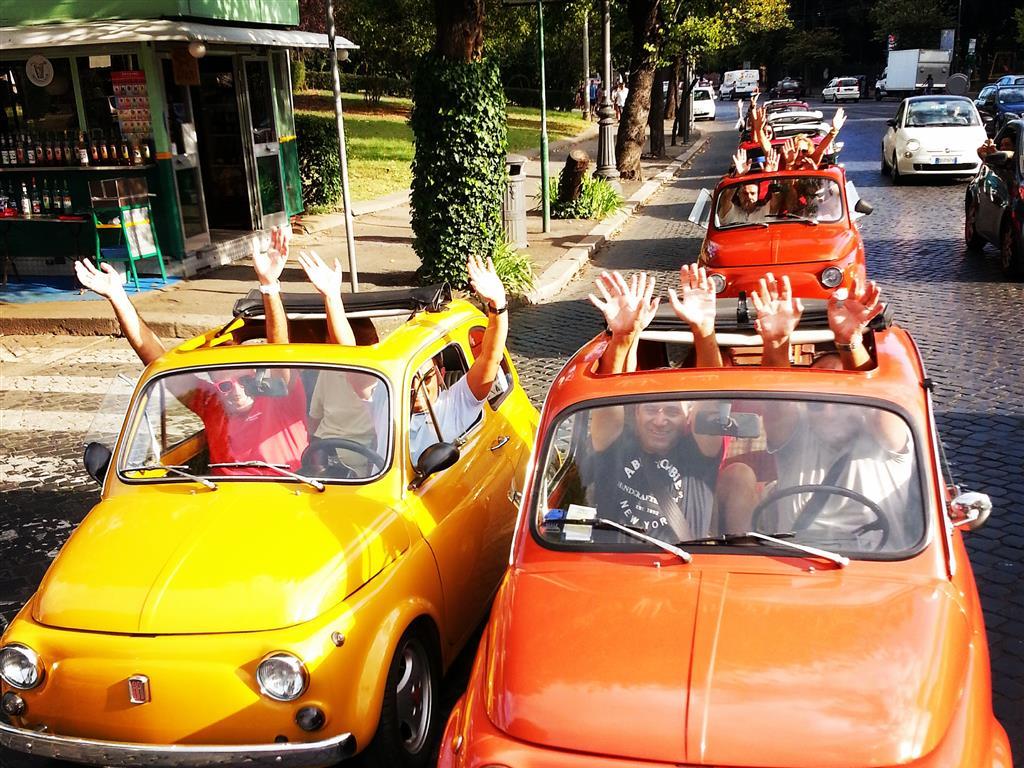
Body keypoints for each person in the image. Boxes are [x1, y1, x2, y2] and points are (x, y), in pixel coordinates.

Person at [74, 227, 309, 473]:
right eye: (225, 386)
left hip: (288, 493)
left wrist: (269, 287)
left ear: (257, 376)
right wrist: (118, 297)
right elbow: (158, 361)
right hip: (220, 499)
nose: (236, 391)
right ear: (216, 389)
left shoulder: (281, 396)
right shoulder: (213, 405)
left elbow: (280, 352)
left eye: (245, 381)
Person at [718, 274, 919, 548]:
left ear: (856, 402)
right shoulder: (797, 433)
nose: (825, 409)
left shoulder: (885, 435)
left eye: (837, 396)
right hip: (793, 569)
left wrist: (849, 342)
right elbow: (777, 400)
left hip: (880, 570)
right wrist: (776, 340)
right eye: (815, 401)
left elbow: (877, 398)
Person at [581, 266, 749, 541]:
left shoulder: (697, 457)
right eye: (651, 409)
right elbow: (609, 396)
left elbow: (712, 392)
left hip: (682, 571)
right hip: (611, 568)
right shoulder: (615, 446)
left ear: (688, 419)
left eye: (672, 411)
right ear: (636, 413)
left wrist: (704, 329)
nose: (660, 419)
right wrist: (622, 337)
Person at [298, 250, 509, 467]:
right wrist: (332, 298)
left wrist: (498, 304)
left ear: (440, 374)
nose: (417, 394)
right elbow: (352, 359)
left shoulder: (457, 403)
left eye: (425, 381)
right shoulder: (386, 399)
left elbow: (490, 358)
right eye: (410, 385)